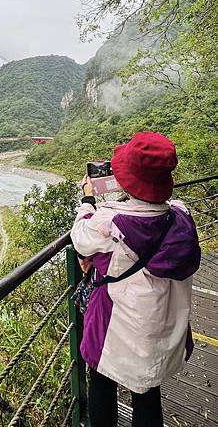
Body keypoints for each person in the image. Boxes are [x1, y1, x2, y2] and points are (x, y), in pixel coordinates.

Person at [71, 131, 201, 427]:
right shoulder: (181, 215)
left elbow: (80, 238)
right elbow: (153, 211)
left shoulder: (110, 222)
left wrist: (88, 200)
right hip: (158, 327)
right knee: (146, 386)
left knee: (102, 380)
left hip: (116, 326)